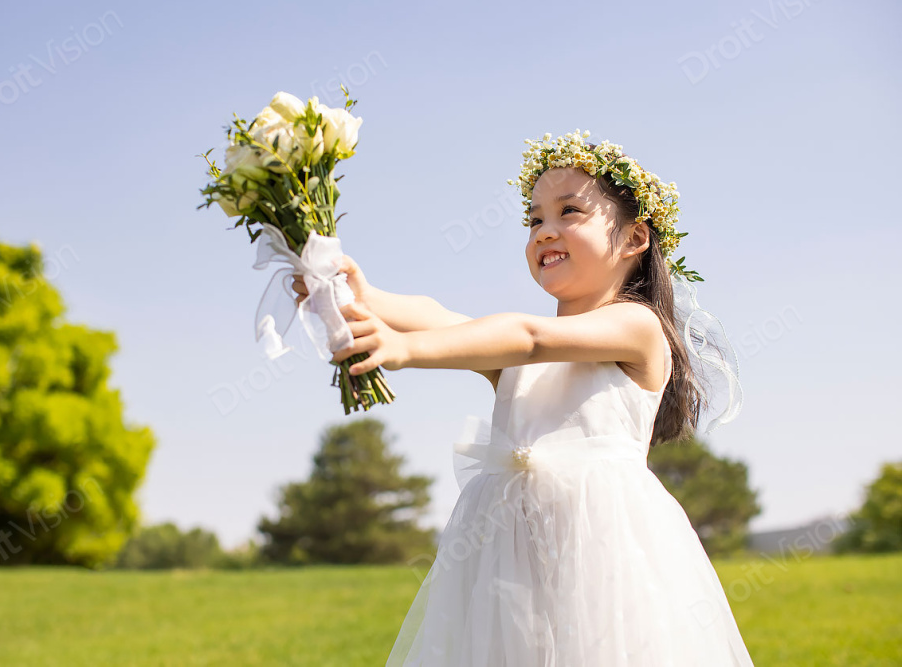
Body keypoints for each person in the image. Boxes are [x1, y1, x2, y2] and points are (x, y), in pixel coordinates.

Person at [292, 129, 754, 665]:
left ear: (634, 239)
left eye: (569, 212)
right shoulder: (514, 354)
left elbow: (529, 337)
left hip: (602, 559)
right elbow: (447, 319)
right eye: (534, 219)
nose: (544, 231)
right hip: (505, 568)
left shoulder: (638, 327)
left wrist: (403, 348)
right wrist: (362, 296)